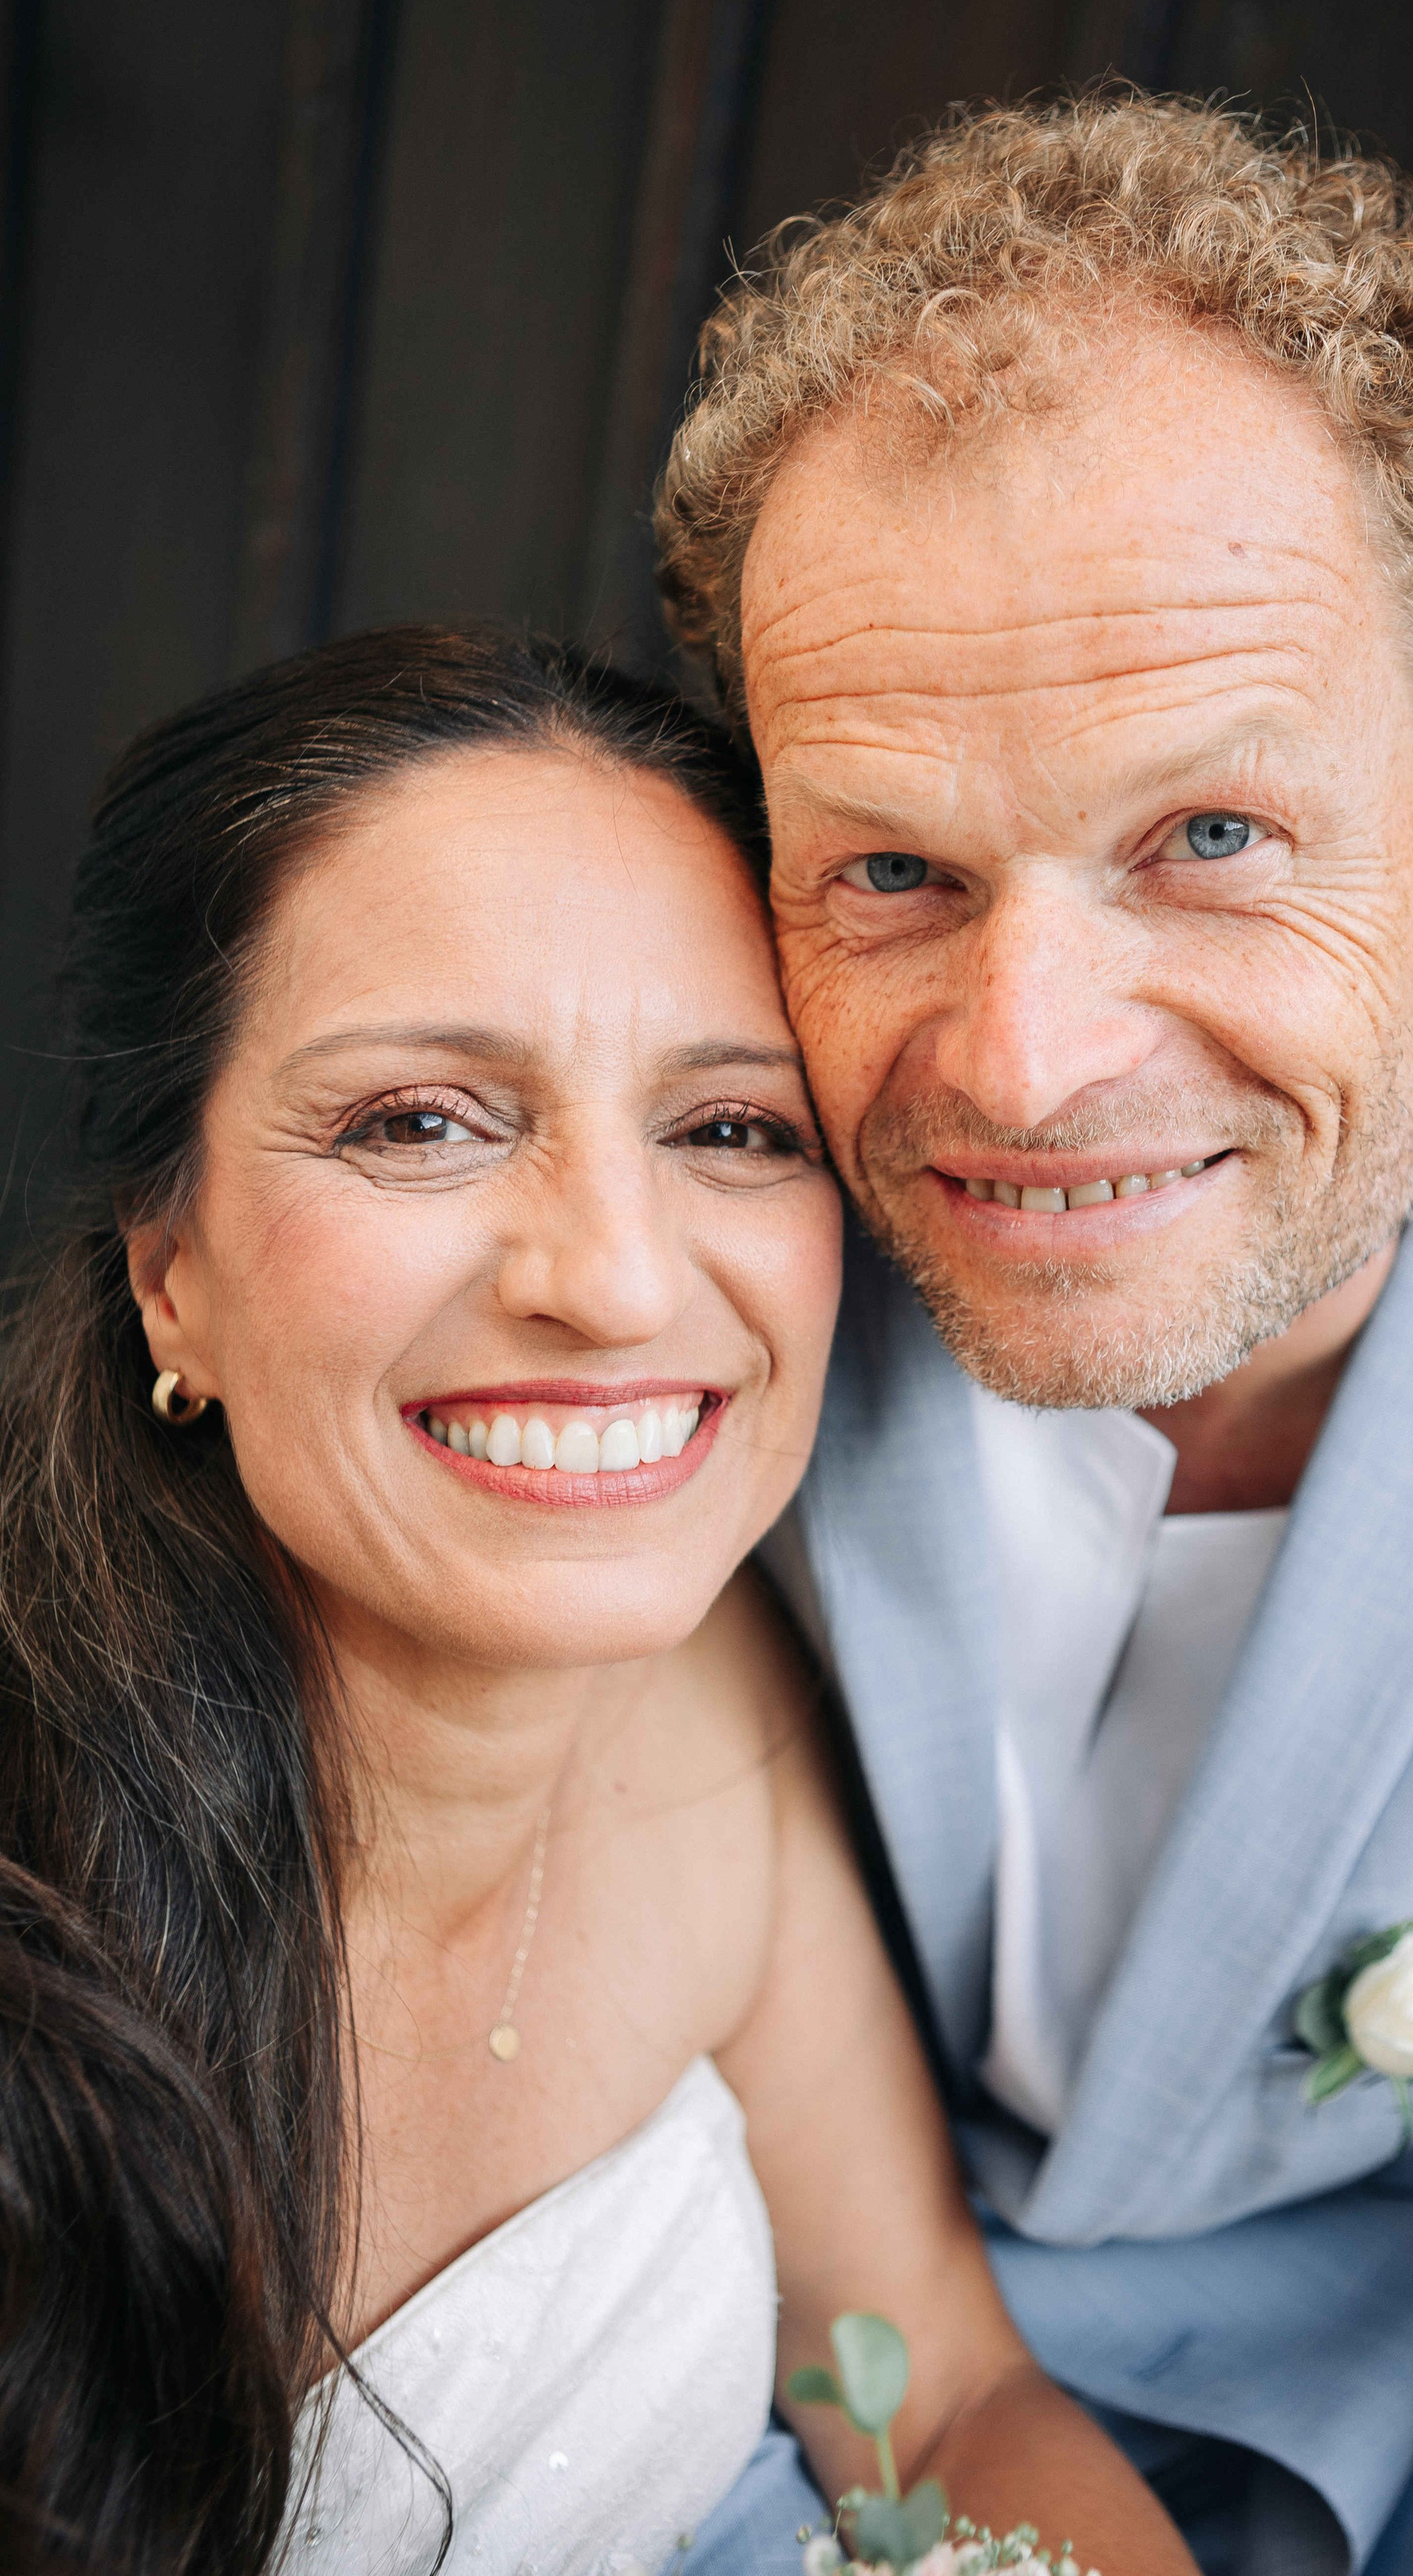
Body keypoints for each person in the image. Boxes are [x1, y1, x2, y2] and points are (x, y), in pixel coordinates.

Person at [653, 95, 1413, 2575]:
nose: (1026, 1061)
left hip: (1377, 2397)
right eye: (891, 868)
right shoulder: (657, 1244)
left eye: (1212, 838)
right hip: (672, 2322)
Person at [0, 626, 1195, 2575]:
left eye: (732, 1128)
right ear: (170, 1271)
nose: (616, 1283)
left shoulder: (711, 1700)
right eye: (420, 1122)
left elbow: (935, 2403)